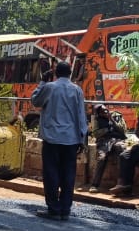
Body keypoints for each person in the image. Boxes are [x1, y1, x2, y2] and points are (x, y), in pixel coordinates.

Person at [30, 61, 87, 220]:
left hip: (52, 138)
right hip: (71, 139)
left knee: (51, 173)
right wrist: (83, 138)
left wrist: (42, 81)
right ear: (70, 74)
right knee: (68, 174)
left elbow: (35, 101)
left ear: (55, 73)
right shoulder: (77, 90)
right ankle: (65, 209)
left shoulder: (49, 88)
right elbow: (81, 115)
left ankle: (54, 208)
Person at [87, 104, 127, 192]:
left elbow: (123, 130)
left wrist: (111, 120)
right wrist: (108, 130)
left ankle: (122, 183)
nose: (105, 112)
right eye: (102, 112)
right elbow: (96, 133)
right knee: (101, 158)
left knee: (121, 151)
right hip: (104, 142)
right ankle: (95, 184)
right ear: (99, 113)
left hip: (116, 140)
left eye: (106, 110)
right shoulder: (97, 120)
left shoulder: (116, 116)